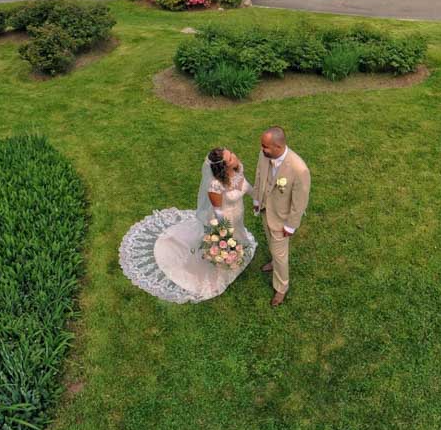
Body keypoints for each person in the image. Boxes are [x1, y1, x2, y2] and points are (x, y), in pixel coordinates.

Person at [118, 148, 257, 303]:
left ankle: (235, 254)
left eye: (231, 154)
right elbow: (218, 210)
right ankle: (219, 268)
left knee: (238, 235)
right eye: (230, 158)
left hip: (238, 214)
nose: (235, 157)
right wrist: (222, 230)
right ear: (223, 167)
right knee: (222, 243)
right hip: (223, 219)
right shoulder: (215, 186)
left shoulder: (237, 168)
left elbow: (245, 184)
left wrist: (256, 199)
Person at [252, 126, 310, 307]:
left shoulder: (299, 169)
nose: (261, 149)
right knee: (271, 243)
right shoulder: (265, 155)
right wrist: (256, 198)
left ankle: (281, 288)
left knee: (280, 256)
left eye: (265, 146)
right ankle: (273, 262)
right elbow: (259, 176)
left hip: (282, 219)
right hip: (266, 210)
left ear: (278, 147)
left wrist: (291, 225)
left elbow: (299, 202)